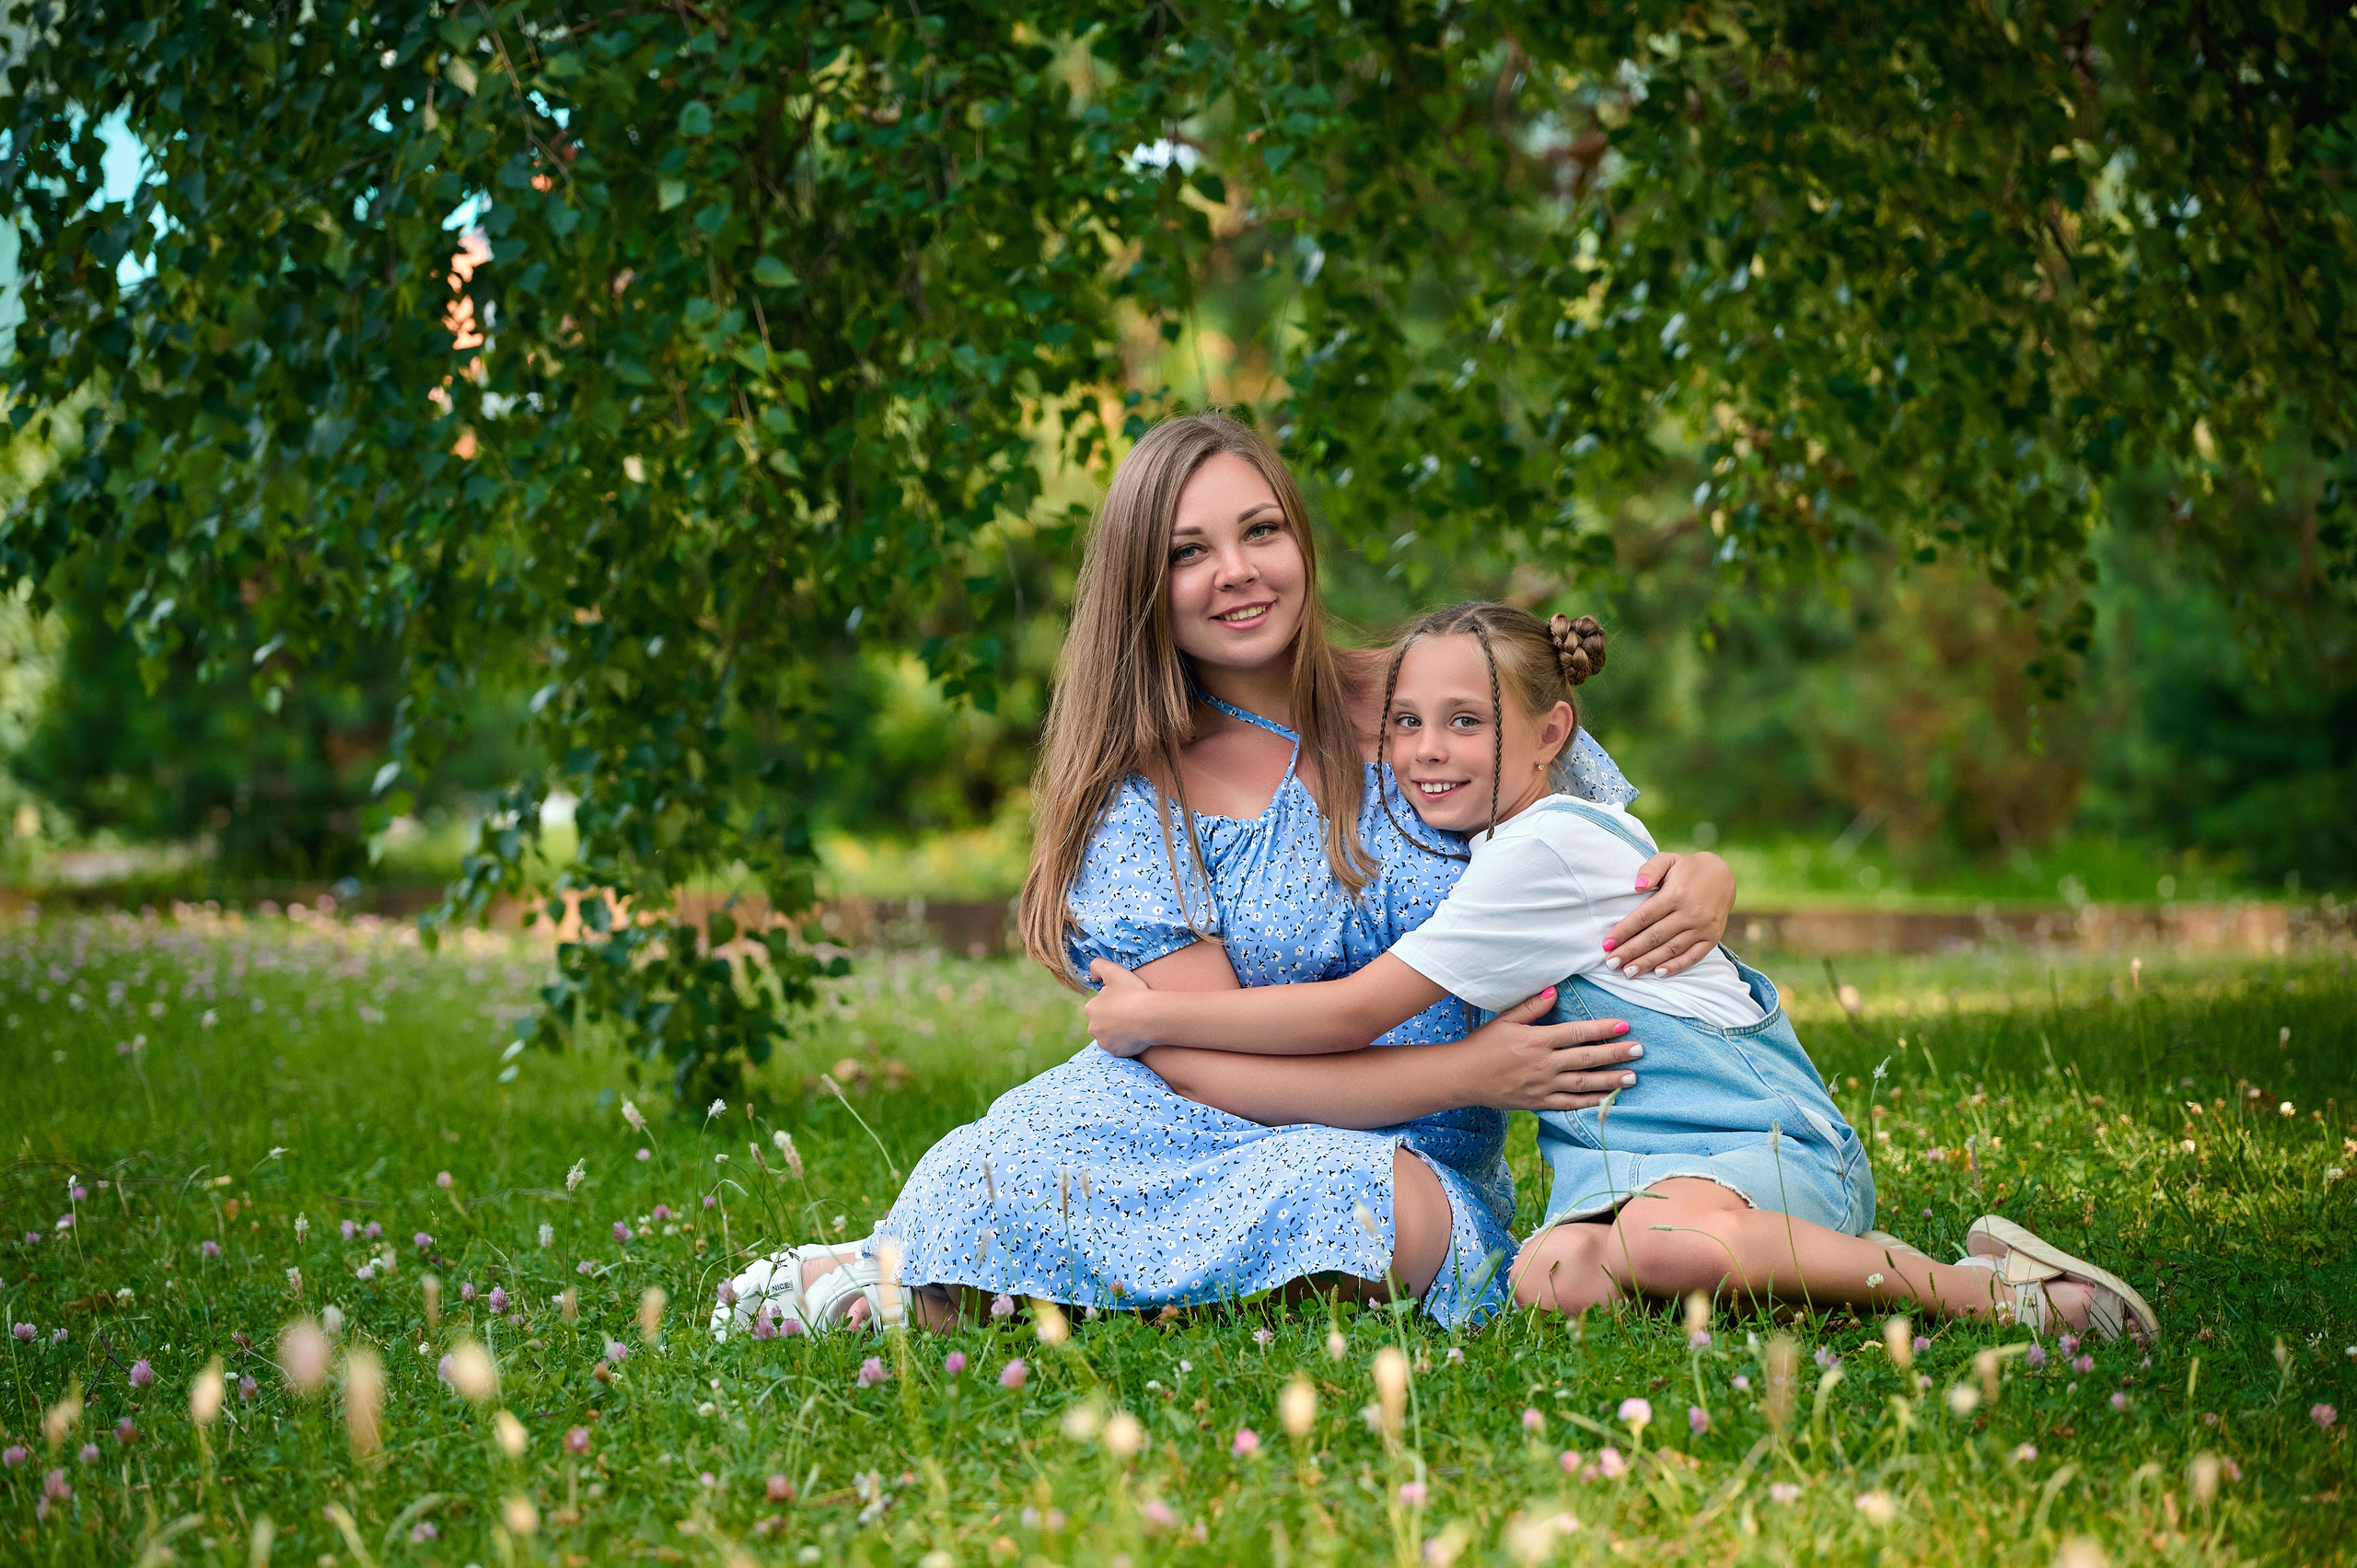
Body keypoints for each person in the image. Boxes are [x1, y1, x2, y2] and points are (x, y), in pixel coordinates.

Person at [709, 412, 1738, 1338]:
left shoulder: (1442, 696)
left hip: (1400, 1150)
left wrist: (1704, 877)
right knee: (994, 1171)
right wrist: (1471, 1071)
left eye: (1259, 531)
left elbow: (1602, 856)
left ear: (1299, 539)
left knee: (1365, 1210)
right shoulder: (1140, 798)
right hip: (1177, 1119)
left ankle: (955, 1285)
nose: (1235, 570)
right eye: (1186, 552)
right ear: (1142, 585)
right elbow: (1192, 1064)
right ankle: (911, 1270)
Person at [1083, 601, 2158, 1340]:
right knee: (1545, 1277)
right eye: (1404, 724)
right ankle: (1799, 1270)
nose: (1425, 752)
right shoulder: (1498, 845)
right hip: (1623, 1164)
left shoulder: (1542, 848)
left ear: (1553, 731)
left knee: (1664, 1238)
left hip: (1748, 1132)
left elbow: (1351, 1012)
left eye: (1466, 722)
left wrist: (1154, 1015)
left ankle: (1993, 1292)